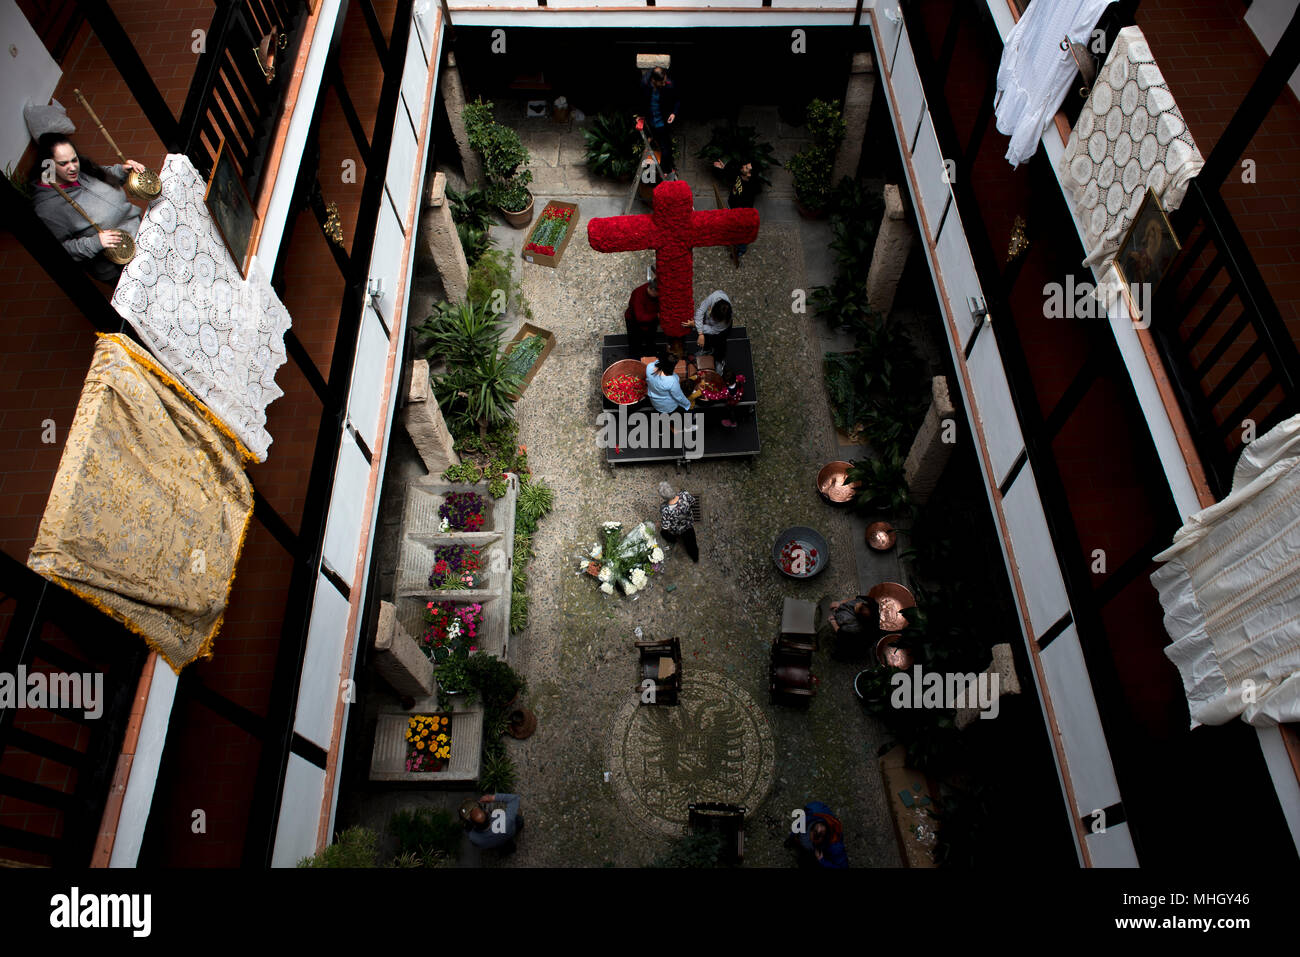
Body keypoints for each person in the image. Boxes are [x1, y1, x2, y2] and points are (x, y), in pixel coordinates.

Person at [30, 133, 146, 282]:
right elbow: (58, 250)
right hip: (120, 262)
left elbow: (104, 175)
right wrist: (95, 243)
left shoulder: (82, 170)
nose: (72, 168)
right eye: (63, 163)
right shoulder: (47, 208)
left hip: (140, 232)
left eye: (74, 160)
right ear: (48, 165)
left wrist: (122, 171)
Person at [711, 157, 762, 266]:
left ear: (749, 174)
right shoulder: (740, 175)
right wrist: (723, 169)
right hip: (732, 206)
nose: (743, 167)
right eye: (746, 165)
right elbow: (730, 176)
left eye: (746, 167)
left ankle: (740, 250)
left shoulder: (749, 189)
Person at [637, 67, 680, 177]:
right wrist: (640, 116)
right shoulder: (645, 85)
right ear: (653, 81)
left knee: (666, 147)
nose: (664, 84)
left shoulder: (669, 84)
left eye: (665, 81)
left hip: (663, 121)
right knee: (655, 145)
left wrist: (673, 113)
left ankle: (666, 170)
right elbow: (640, 101)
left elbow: (677, 99)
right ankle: (657, 173)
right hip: (651, 121)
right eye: (662, 82)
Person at [817, 594, 882, 653]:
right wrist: (839, 603)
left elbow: (841, 634)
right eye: (859, 604)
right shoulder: (870, 602)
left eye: (856, 607)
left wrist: (833, 621)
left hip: (854, 641)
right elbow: (856, 597)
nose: (856, 604)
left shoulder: (854, 628)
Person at [795, 801, 849, 868]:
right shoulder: (813, 811)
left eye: (816, 839)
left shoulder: (836, 847)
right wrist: (794, 836)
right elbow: (799, 824)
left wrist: (822, 861)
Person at [624, 264, 661, 358]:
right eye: (659, 294)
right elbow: (640, 317)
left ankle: (652, 361)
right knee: (635, 345)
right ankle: (635, 363)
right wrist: (657, 316)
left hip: (651, 321)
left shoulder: (657, 291)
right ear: (653, 290)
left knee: (651, 342)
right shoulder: (638, 294)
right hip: (634, 322)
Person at [693, 290, 733, 374]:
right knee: (707, 338)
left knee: (720, 345)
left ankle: (719, 360)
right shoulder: (715, 296)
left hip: (721, 332)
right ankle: (706, 349)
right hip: (708, 325)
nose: (714, 319)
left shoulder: (724, 322)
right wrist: (700, 333)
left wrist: (696, 326)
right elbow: (700, 312)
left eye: (716, 319)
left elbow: (712, 330)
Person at [658, 481, 699, 563]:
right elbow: (693, 502)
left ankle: (673, 540)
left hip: (678, 530)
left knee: (663, 532)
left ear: (664, 497)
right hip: (689, 524)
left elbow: (665, 526)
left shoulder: (665, 509)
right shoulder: (685, 494)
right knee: (692, 543)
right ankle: (695, 557)